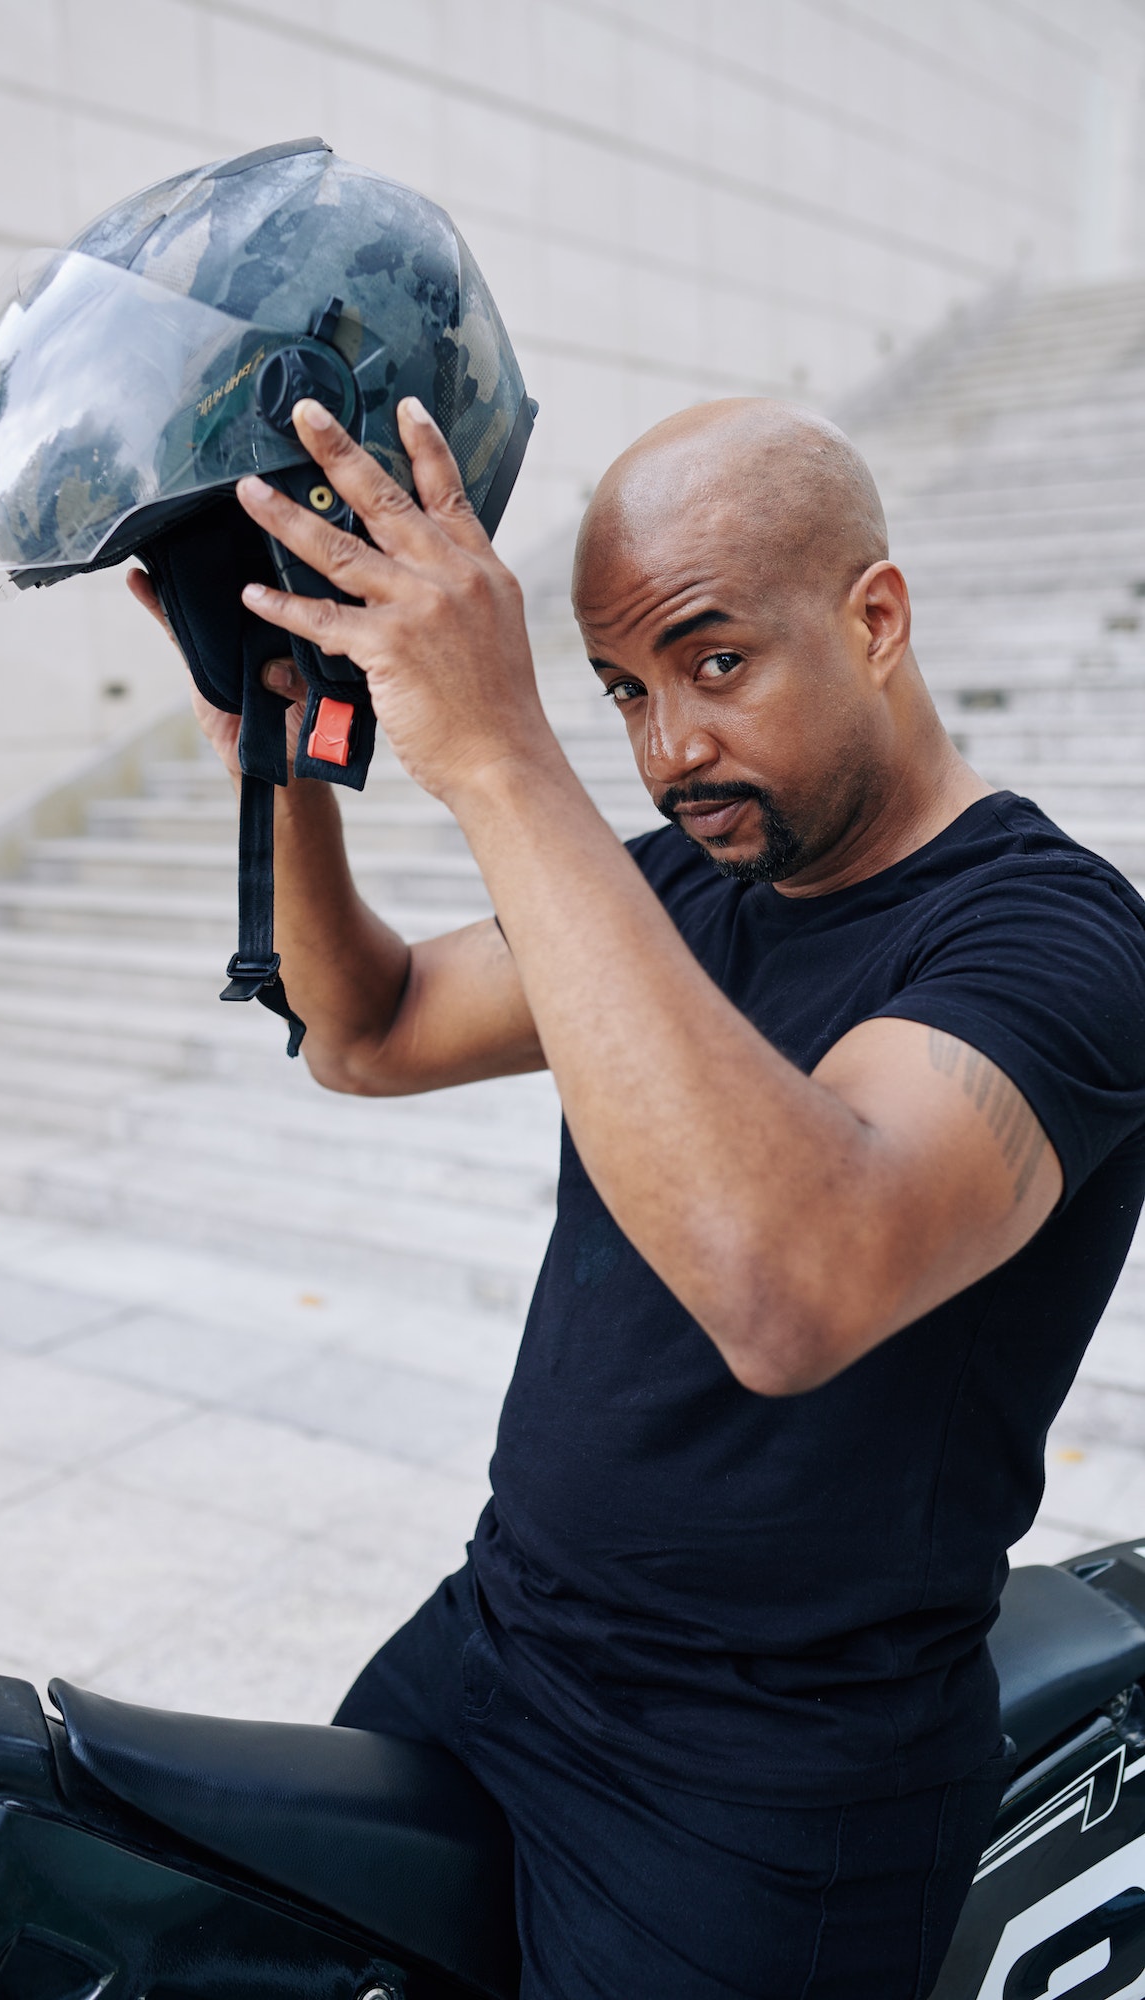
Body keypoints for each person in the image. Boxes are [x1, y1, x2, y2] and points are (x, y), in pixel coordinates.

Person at [129, 394, 1145, 1998]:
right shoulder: (684, 878)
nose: (669, 748)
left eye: (713, 662)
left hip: (769, 1785)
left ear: (872, 620)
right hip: (500, 1642)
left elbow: (788, 1285)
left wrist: (499, 747)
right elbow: (367, 1029)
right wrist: (280, 759)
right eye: (619, 691)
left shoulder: (1057, 944)